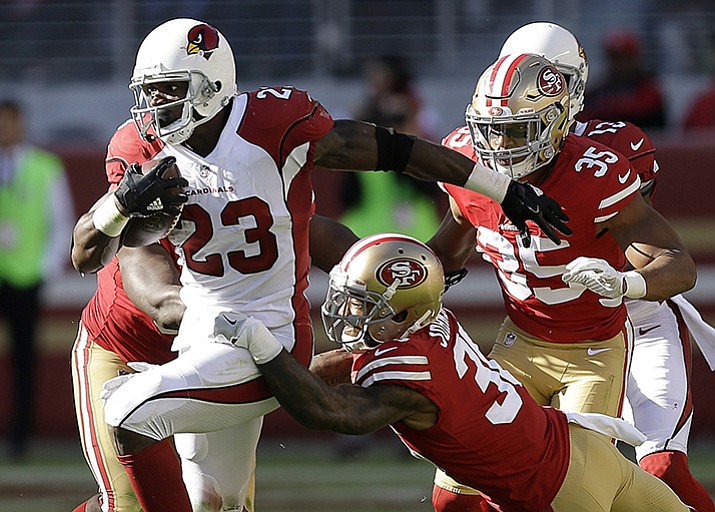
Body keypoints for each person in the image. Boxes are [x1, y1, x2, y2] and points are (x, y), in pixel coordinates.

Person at [72, 18, 571, 512]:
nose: (155, 108)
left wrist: (502, 189)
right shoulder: (142, 153)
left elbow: (396, 152)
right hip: (197, 338)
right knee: (217, 505)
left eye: (169, 91)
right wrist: (121, 205)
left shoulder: (272, 127)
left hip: (260, 337)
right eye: (150, 93)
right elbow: (90, 256)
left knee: (127, 412)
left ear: (211, 86)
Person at [428, 22, 715, 512]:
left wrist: (626, 281)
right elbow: (453, 239)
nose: (502, 144)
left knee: (615, 481)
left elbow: (667, 259)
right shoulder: (464, 160)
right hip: (522, 338)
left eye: (519, 127)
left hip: (616, 328)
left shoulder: (604, 160)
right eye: (494, 128)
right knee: (455, 495)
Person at [219, 232, 694, 512]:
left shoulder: (405, 374)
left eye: (361, 305)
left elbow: (330, 412)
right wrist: (272, 373)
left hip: (557, 494)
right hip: (582, 447)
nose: (346, 313)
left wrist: (265, 349)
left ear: (403, 312)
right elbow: (337, 367)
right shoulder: (435, 322)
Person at [0, 99, 74, 460]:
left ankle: (19, 439)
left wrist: (45, 269)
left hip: (25, 277)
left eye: (10, 122)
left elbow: (60, 221)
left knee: (24, 361)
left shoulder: (44, 167)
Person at [579, 29, 666, 130]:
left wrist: (607, 106)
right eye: (615, 58)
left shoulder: (649, 87)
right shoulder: (598, 91)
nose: (620, 63)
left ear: (635, 58)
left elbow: (644, 109)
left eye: (624, 57)